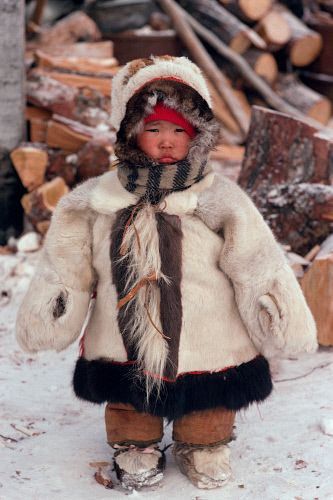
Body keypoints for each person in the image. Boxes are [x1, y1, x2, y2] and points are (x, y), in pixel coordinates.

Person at [16, 55, 317, 491]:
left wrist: (278, 313)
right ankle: (134, 443)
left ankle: (205, 443)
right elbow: (66, 261)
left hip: (210, 333)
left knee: (209, 405)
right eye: (154, 128)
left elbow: (256, 259)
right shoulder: (98, 199)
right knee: (128, 399)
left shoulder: (218, 199)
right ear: (130, 131)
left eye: (179, 129)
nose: (167, 141)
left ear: (197, 135)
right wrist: (53, 309)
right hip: (121, 334)